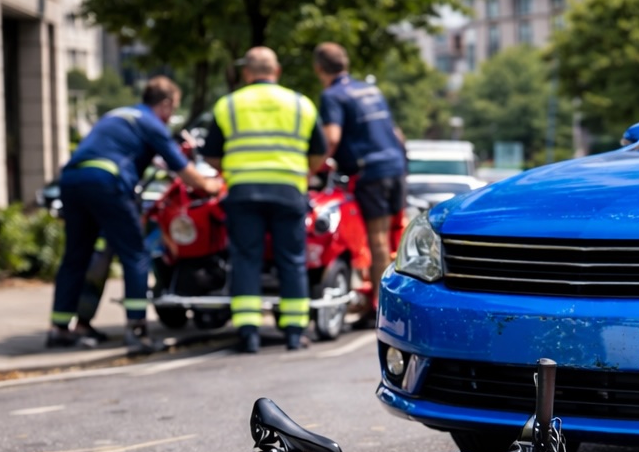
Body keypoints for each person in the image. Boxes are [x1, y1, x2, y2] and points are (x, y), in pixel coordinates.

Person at [48, 77, 221, 350]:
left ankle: (61, 329)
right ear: (165, 104)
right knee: (135, 254)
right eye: (173, 109)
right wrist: (209, 184)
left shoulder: (117, 115)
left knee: (77, 255)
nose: (171, 116)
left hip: (71, 180)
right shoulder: (151, 123)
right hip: (107, 182)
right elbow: (182, 169)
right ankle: (137, 331)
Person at [202, 47, 327, 353]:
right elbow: (320, 152)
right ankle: (295, 333)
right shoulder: (301, 104)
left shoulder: (229, 104)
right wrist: (301, 172)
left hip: (244, 191)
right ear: (277, 70)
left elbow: (212, 155)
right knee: (292, 260)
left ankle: (249, 333)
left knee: (246, 259)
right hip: (288, 191)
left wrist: (234, 170)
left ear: (247, 73)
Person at [313, 42, 407, 316]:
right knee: (393, 237)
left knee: (376, 240)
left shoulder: (332, 96)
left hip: (370, 173)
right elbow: (396, 132)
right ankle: (387, 295)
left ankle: (380, 306)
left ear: (319, 68)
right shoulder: (371, 89)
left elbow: (331, 138)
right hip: (395, 167)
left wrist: (311, 167)